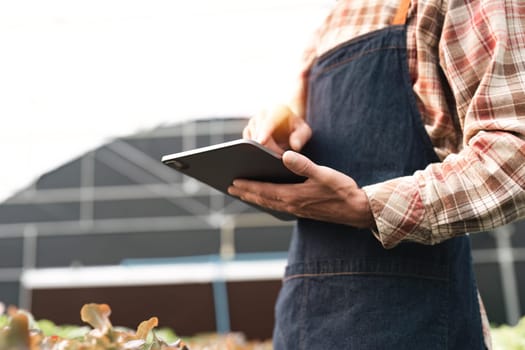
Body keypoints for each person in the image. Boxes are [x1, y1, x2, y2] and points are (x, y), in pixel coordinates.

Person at [227, 0, 525, 349]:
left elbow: (515, 155)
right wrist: (285, 125)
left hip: (412, 320)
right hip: (303, 317)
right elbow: (301, 120)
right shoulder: (334, 17)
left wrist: (370, 206)